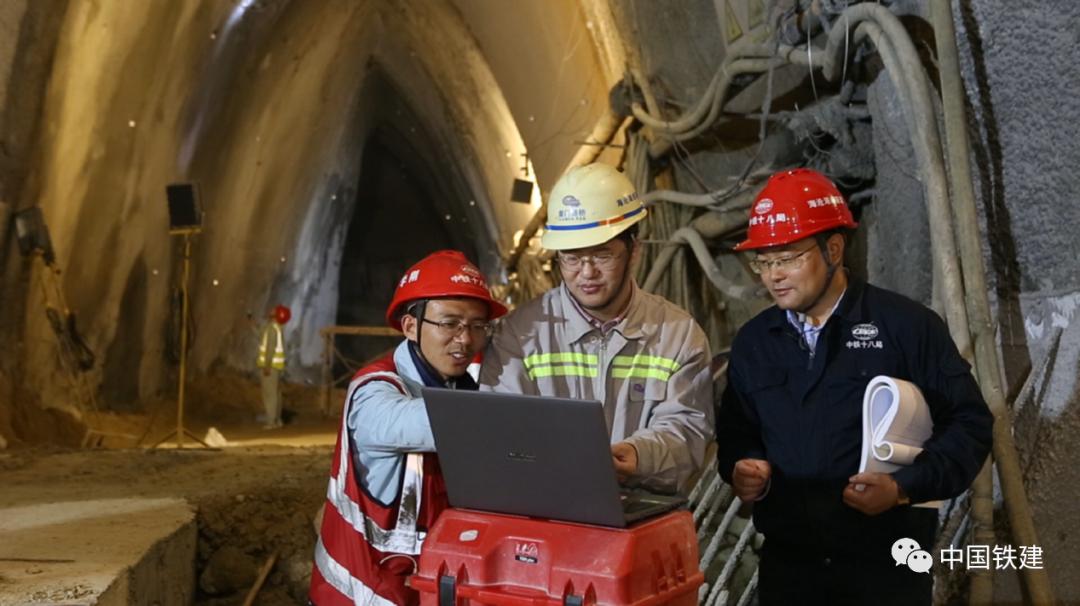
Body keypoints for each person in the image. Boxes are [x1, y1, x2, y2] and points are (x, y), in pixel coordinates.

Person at [715, 168, 993, 606]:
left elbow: (970, 425)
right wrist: (742, 466)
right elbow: (737, 431)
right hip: (790, 573)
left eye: (787, 257)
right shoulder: (754, 343)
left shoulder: (905, 326)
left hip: (886, 572)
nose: (774, 276)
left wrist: (904, 487)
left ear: (834, 248)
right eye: (764, 262)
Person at [480, 163, 714, 495]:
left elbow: (687, 430)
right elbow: (499, 432)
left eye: (602, 255)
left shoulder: (677, 335)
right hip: (546, 510)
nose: (586, 273)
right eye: (571, 258)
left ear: (634, 251)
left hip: (641, 513)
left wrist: (637, 456)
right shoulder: (519, 336)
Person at [309, 250, 507, 606]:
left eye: (477, 326)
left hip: (425, 589)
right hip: (364, 595)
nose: (465, 340)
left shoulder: (461, 385)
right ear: (411, 326)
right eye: (450, 324)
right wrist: (539, 421)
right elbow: (431, 423)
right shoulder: (373, 394)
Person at [255, 303, 290, 429]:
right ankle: (277, 419)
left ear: (276, 315)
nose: (270, 310)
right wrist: (252, 324)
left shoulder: (271, 329)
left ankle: (271, 421)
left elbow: (270, 348)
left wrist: (267, 365)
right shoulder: (276, 328)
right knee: (276, 393)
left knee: (269, 394)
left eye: (273, 310)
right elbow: (261, 335)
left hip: (271, 367)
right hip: (277, 367)